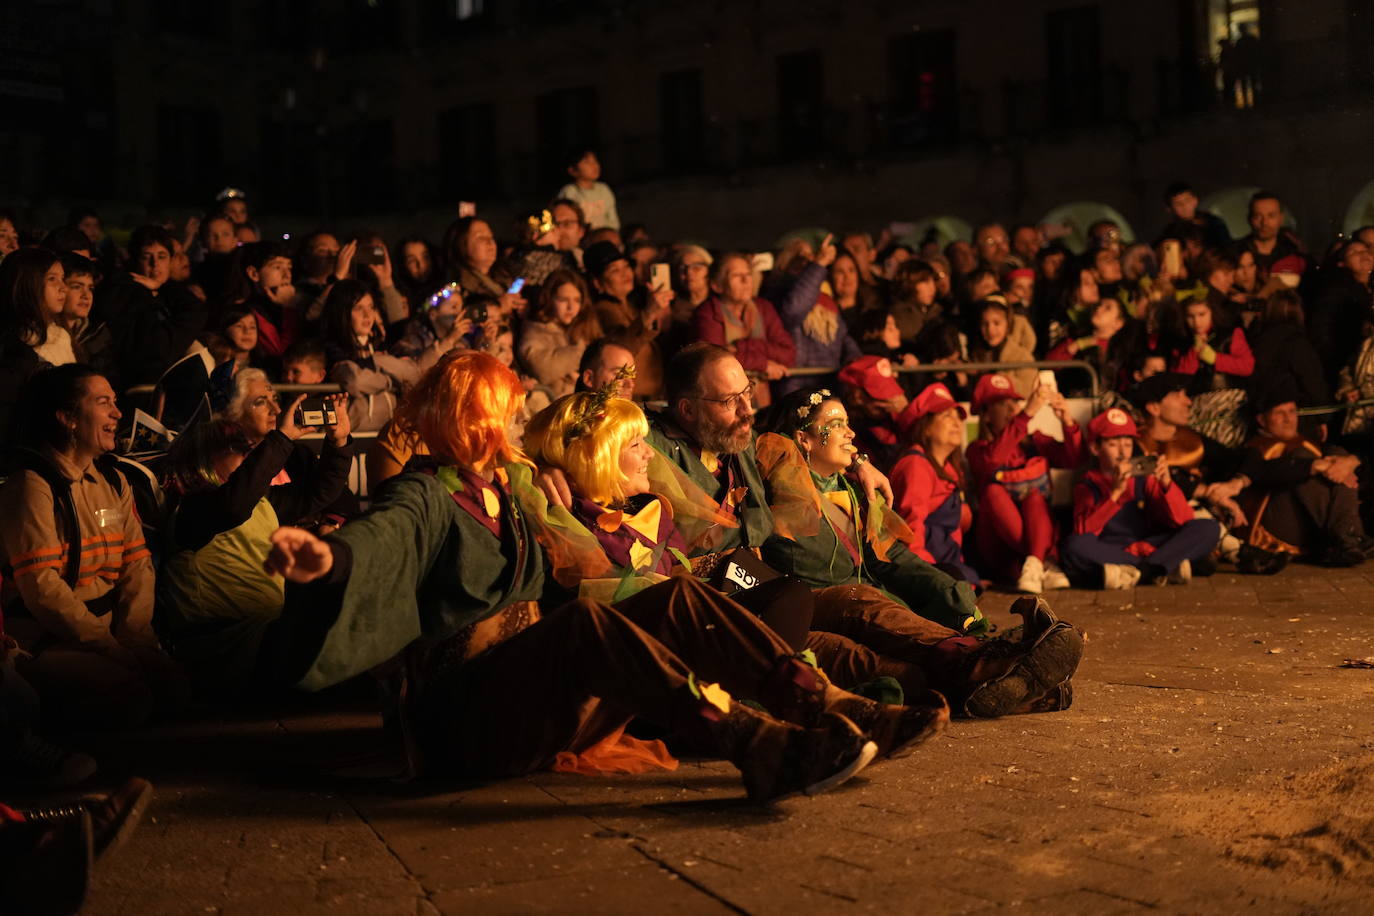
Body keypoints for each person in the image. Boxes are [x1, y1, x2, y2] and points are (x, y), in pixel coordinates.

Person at [262, 352, 906, 802]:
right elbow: (386, 532)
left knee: (679, 594)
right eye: (507, 414)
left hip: (526, 709)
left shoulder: (515, 490)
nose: (517, 427)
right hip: (462, 726)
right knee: (586, 623)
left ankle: (829, 707)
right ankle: (754, 741)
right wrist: (333, 559)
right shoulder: (427, 492)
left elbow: (571, 518)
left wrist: (555, 486)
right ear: (473, 419)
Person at [0, 365, 189, 729]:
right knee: (129, 698)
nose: (118, 413)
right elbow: (42, 588)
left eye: (116, 402)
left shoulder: (112, 480)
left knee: (175, 688)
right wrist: (107, 646)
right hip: (47, 639)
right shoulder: (31, 486)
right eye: (104, 403)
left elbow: (137, 564)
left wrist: (135, 639)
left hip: (107, 635)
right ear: (68, 418)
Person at [158, 396, 352, 693]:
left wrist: (338, 442)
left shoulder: (262, 503)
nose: (250, 455)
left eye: (250, 448)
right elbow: (233, 506)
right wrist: (283, 438)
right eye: (239, 449)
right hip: (219, 643)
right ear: (204, 457)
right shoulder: (190, 511)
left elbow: (320, 492)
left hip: (262, 633)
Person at [1060, 408, 1220, 589]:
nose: (1122, 452)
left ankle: (1138, 572)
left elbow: (1182, 519)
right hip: (1115, 550)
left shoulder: (1143, 478)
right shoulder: (1088, 484)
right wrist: (1115, 494)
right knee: (1074, 546)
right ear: (1096, 448)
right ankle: (1160, 568)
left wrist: (1166, 484)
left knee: (1208, 527)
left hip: (1148, 545)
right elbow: (1084, 530)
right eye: (1113, 445)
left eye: (1128, 445)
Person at [966, 375, 1083, 593]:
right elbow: (994, 459)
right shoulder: (977, 450)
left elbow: (1073, 459)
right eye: (1002, 403)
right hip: (1000, 551)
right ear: (986, 415)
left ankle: (1035, 563)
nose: (1012, 408)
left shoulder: (1034, 441)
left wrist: (1066, 420)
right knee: (993, 491)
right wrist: (1026, 414)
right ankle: (1042, 560)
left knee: (1035, 496)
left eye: (1015, 402)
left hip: (1032, 551)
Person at [1237, 382, 1369, 568]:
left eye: (1291, 411)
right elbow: (1261, 474)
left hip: (1310, 522)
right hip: (1278, 524)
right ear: (1262, 419)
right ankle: (1347, 535)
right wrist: (1313, 466)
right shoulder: (1254, 448)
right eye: (1279, 413)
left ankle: (1345, 538)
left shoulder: (1307, 442)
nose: (1288, 419)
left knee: (1339, 456)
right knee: (1304, 460)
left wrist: (1342, 465)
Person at [91, 225, 207, 388]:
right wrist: (147, 294)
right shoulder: (119, 291)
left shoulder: (176, 293)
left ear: (170, 260)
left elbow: (195, 313)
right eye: (147, 257)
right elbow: (154, 348)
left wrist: (160, 289)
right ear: (135, 260)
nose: (155, 264)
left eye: (162, 256)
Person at [889, 382, 980, 587]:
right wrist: (930, 579)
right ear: (925, 427)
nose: (957, 423)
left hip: (945, 560)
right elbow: (909, 530)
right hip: (923, 566)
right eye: (947, 416)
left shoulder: (950, 468)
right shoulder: (916, 465)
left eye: (958, 417)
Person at [688, 252, 794, 403]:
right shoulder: (708, 313)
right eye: (736, 276)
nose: (746, 281)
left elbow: (788, 354)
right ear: (717, 286)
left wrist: (743, 346)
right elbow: (713, 360)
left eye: (748, 274)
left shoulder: (763, 308)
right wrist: (763, 364)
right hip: (722, 400)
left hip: (761, 400)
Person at [321, 280, 422, 433]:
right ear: (342, 312)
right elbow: (355, 381)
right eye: (358, 308)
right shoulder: (332, 348)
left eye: (371, 307)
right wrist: (390, 379)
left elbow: (413, 374)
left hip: (387, 433)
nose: (368, 314)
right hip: (351, 435)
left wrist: (375, 362)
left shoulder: (383, 343)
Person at [770, 234, 861, 395]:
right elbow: (794, 309)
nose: (808, 259)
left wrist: (854, 359)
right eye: (799, 255)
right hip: (797, 386)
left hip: (827, 382)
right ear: (783, 262)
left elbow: (842, 336)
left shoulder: (824, 298)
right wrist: (818, 265)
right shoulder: (780, 293)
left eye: (810, 255)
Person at [0, 249, 76, 441]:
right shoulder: (11, 347)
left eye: (63, 278)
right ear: (28, 283)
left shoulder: (60, 337)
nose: (63, 288)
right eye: (52, 279)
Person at [587, 240, 672, 399]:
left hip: (650, 394)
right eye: (615, 270)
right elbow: (622, 344)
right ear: (597, 282)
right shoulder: (603, 310)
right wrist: (649, 311)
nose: (625, 273)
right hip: (631, 395)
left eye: (626, 266)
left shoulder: (629, 306)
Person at [517, 268, 604, 397]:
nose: (571, 307)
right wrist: (584, 354)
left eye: (577, 300)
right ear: (549, 299)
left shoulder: (585, 327)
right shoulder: (535, 330)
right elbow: (543, 369)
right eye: (563, 299)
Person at [969, 299, 1035, 396]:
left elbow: (1028, 390)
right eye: (985, 324)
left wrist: (1001, 380)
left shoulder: (1022, 357)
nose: (990, 330)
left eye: (996, 323)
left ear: (1008, 325)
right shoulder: (975, 355)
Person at [1240, 191, 1304, 281]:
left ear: (1281, 218)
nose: (1264, 223)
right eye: (1257, 216)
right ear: (1249, 219)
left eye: (1271, 216)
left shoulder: (1295, 252)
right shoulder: (1235, 254)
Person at [556, 149, 620, 231]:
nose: (594, 165)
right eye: (587, 162)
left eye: (595, 161)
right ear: (572, 170)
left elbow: (613, 221)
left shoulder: (604, 190)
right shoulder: (569, 192)